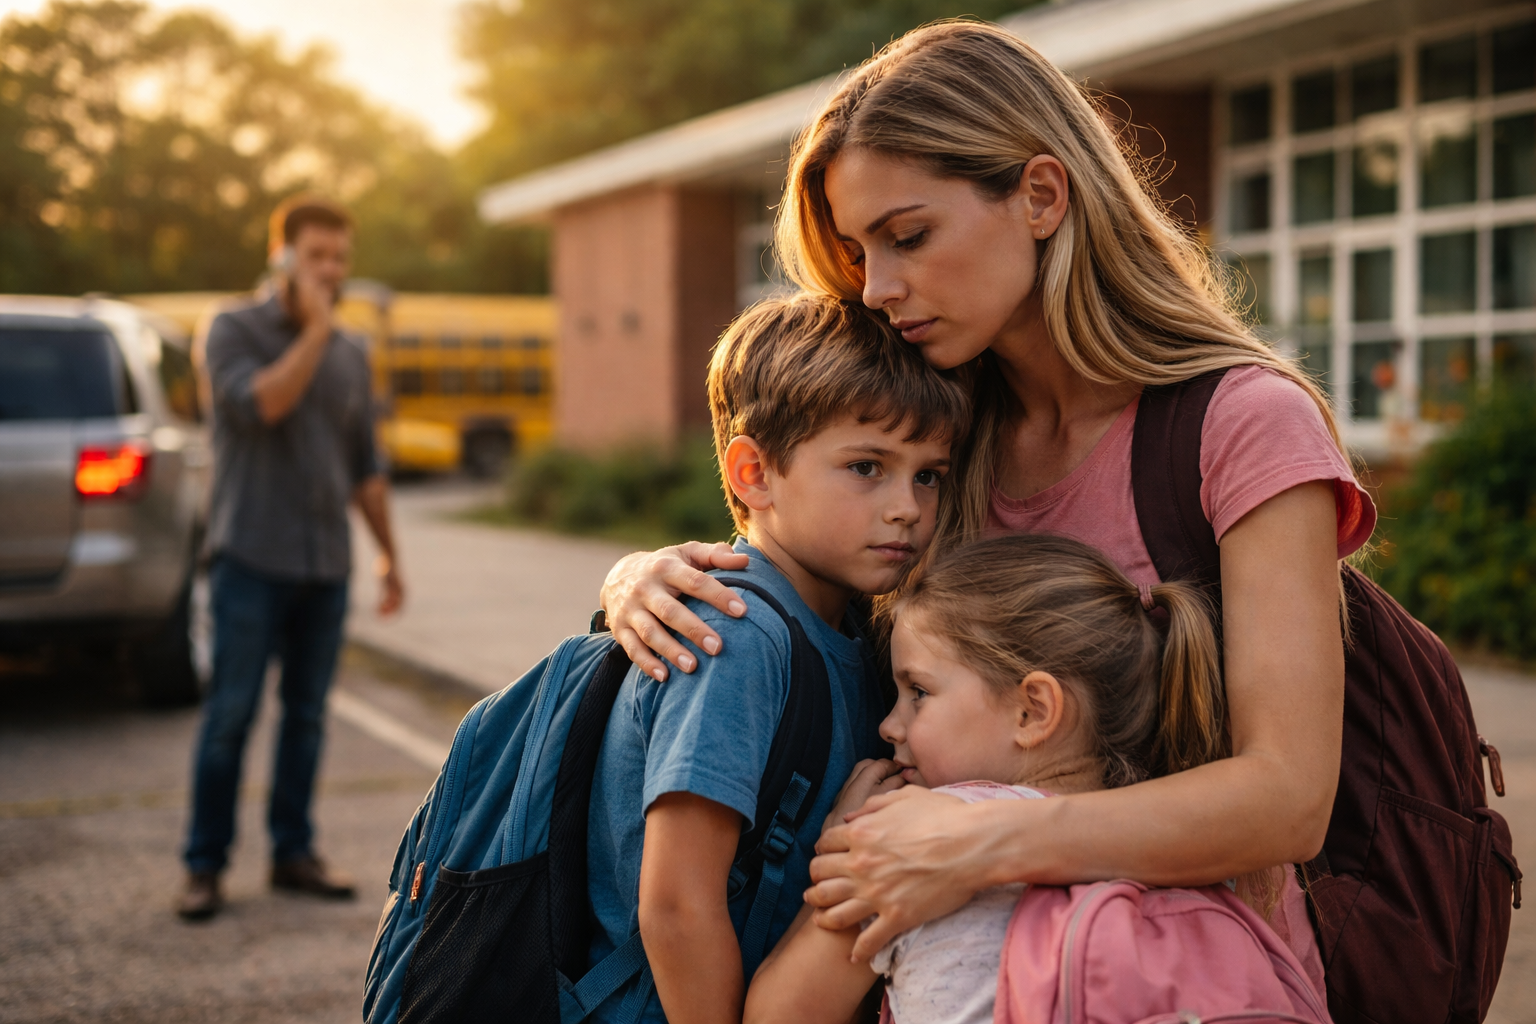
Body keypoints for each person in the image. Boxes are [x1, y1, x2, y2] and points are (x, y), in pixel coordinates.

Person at [595, 19, 1377, 963]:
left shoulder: (1243, 423)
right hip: (930, 975)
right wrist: (643, 580)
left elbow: (1287, 800)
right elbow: (802, 571)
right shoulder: (938, 437)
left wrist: (982, 840)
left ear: (1042, 194)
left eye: (909, 236)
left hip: (1161, 979)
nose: (878, 286)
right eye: (857, 254)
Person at [746, 534, 1324, 1024]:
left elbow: (778, 1014)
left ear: (1034, 711)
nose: (889, 724)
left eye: (918, 692)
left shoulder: (915, 839)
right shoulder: (1179, 847)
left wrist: (844, 833)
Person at [583, 293, 968, 1022]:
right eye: (866, 466)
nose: (908, 508)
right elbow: (676, 905)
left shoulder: (855, 624)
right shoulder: (737, 639)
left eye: (929, 475)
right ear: (753, 473)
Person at [177, 195, 404, 921]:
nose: (332, 271)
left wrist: (388, 557)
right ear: (282, 258)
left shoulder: (351, 352)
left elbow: (363, 466)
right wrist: (312, 332)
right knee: (231, 716)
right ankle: (203, 866)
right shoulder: (231, 329)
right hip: (248, 559)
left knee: (306, 718)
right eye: (317, 258)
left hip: (324, 567)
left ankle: (292, 853)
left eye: (340, 258)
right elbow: (263, 404)